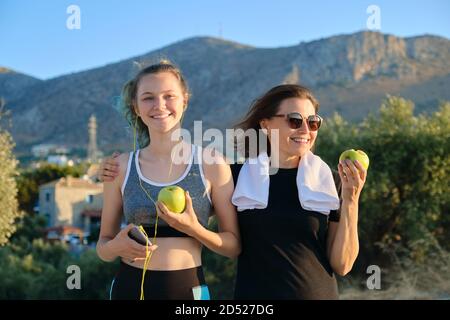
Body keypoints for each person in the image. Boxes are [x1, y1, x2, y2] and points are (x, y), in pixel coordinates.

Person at [99, 84, 365, 300]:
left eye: (313, 121)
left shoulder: (329, 181)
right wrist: (116, 167)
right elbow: (174, 188)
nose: (305, 130)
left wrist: (351, 199)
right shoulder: (237, 176)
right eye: (295, 120)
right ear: (266, 125)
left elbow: (342, 264)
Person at [96, 60, 241, 300]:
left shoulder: (213, 164)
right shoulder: (119, 167)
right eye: (148, 97)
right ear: (135, 107)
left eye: (169, 96)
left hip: (188, 291)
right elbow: (103, 247)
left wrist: (194, 229)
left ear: (184, 100)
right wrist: (115, 247)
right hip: (128, 289)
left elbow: (233, 246)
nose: (159, 105)